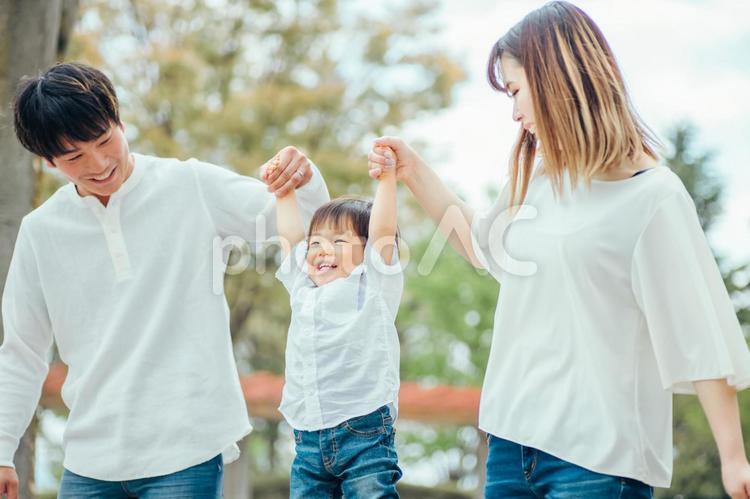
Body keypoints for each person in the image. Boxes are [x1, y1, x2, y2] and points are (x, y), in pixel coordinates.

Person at [366, 2, 750, 497]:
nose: (515, 112)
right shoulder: (539, 181)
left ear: (558, 80)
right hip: (509, 448)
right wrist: (412, 168)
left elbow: (700, 332)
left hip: (598, 462)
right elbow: (477, 244)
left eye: (517, 91)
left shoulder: (655, 196)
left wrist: (734, 457)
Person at [0, 61, 330, 499]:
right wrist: (2, 449)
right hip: (89, 460)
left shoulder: (189, 185)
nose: (99, 164)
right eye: (75, 157)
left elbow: (307, 223)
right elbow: (22, 352)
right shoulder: (41, 232)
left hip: (185, 451)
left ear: (119, 119)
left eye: (104, 140)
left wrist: (302, 178)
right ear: (48, 160)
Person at [266, 147, 403, 498]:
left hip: (365, 430)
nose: (322, 250)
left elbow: (384, 229)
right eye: (317, 243)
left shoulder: (371, 283)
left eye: (339, 241)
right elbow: (291, 238)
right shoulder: (302, 285)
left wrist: (387, 179)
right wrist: (284, 193)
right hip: (307, 435)